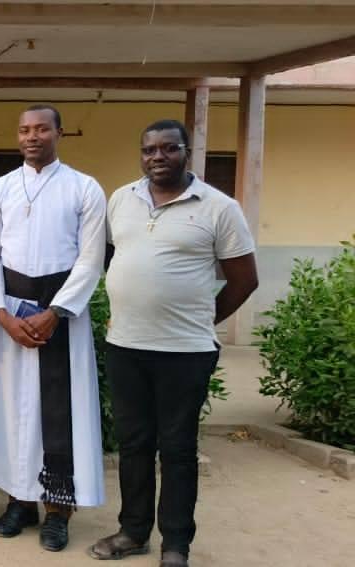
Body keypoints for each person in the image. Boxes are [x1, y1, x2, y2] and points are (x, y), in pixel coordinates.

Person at [89, 120, 257, 567]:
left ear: (187, 152)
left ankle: (176, 544)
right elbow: (110, 257)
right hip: (125, 345)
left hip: (186, 351)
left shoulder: (219, 208)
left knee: (178, 447)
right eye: (148, 150)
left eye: (168, 149)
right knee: (133, 443)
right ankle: (133, 531)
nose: (157, 157)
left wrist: (204, 317)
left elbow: (245, 280)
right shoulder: (121, 200)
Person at [0, 105, 108, 551]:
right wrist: (2, 315)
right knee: (12, 409)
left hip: (61, 314)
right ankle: (18, 502)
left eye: (41, 129)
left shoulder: (84, 188)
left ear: (59, 133)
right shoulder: (0, 189)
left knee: (59, 411)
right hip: (10, 312)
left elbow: (90, 260)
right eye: (24, 130)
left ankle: (58, 509)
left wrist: (56, 311)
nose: (32, 137)